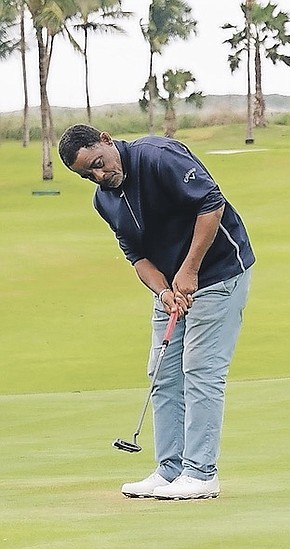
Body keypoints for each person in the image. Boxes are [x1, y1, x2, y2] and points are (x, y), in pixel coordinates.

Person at [58, 124, 255, 500]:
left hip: (219, 271)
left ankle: (201, 474)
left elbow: (211, 203)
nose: (100, 175)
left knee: (200, 369)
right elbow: (137, 256)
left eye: (98, 163)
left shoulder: (157, 156)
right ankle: (171, 470)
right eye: (88, 175)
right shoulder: (105, 199)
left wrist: (190, 269)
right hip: (173, 285)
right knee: (162, 373)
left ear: (105, 139)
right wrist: (164, 291)